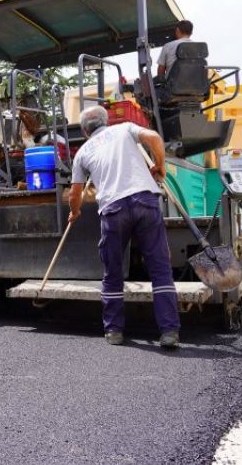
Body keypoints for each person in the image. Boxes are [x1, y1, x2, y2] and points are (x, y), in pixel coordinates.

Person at [68, 106, 180, 348]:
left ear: (85, 132)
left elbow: (75, 193)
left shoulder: (82, 153)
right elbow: (154, 138)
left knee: (113, 272)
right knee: (160, 270)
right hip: (145, 201)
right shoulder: (124, 129)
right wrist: (160, 166)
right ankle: (169, 332)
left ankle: (114, 331)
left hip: (113, 210)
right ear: (105, 121)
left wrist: (74, 212)